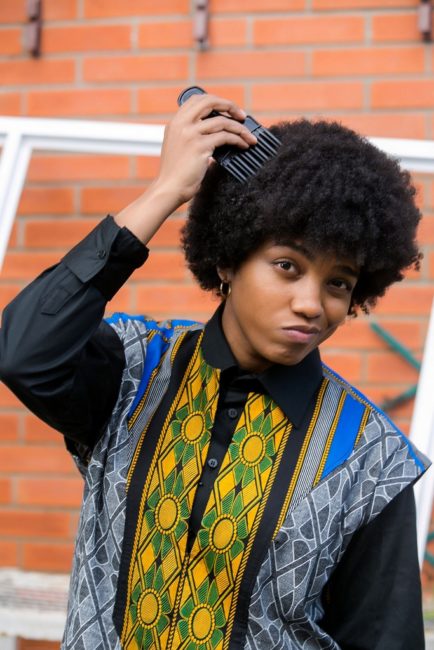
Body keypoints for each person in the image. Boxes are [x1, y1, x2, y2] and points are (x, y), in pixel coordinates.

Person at [0, 92, 430, 650]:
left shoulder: (371, 459)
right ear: (228, 259)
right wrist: (165, 191)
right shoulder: (134, 370)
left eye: (338, 282)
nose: (311, 304)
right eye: (287, 266)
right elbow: (24, 353)